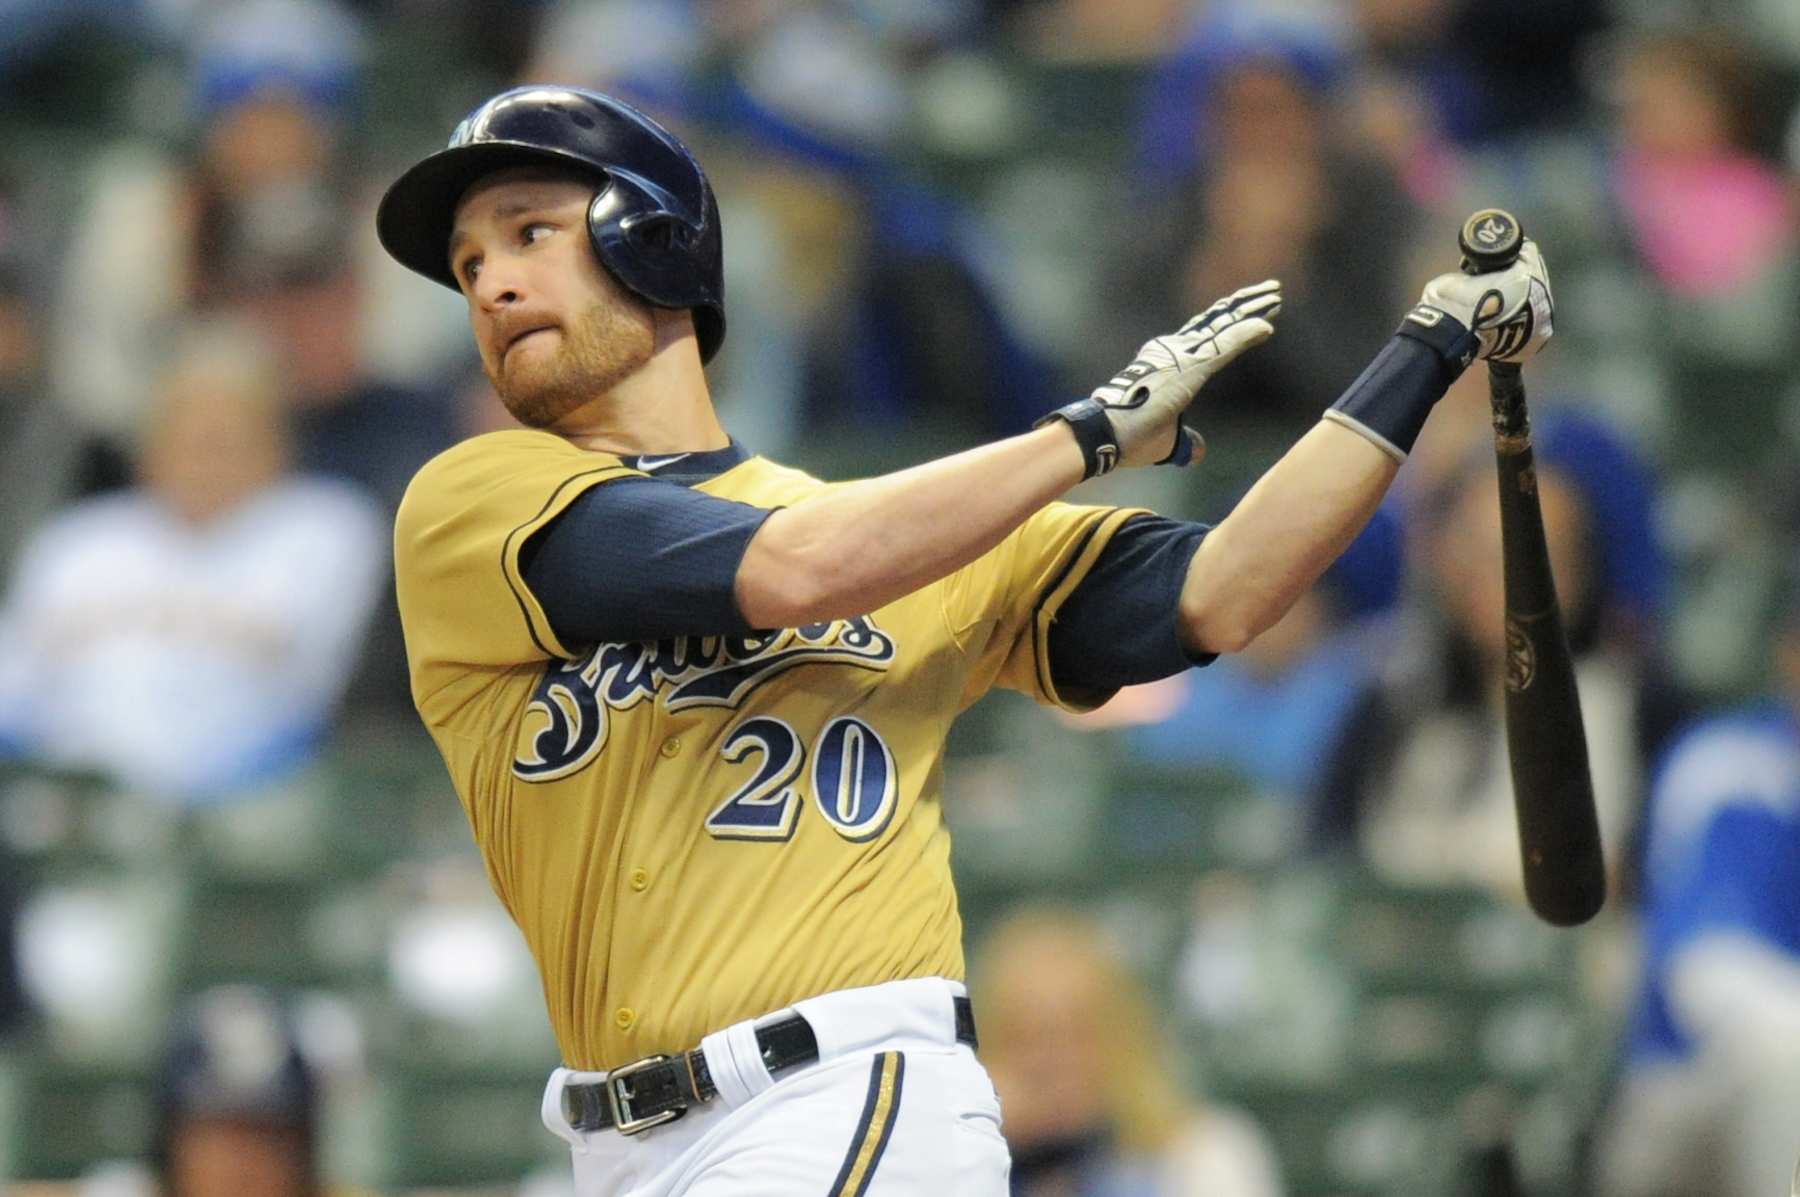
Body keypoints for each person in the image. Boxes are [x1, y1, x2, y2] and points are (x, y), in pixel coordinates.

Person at [376, 84, 1553, 1194]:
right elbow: (793, 566)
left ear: (653, 237)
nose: (488, 284)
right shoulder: (471, 505)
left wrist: (1428, 349)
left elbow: (1228, 589)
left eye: (529, 233)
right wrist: (1085, 436)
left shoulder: (923, 539)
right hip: (621, 1144)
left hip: (848, 1095)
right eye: (471, 263)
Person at [0, 321, 387, 798]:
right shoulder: (79, 541)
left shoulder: (329, 529)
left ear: (276, 441)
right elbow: (12, 695)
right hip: (71, 806)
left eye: (226, 436)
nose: (203, 456)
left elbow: (340, 701)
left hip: (253, 810)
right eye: (186, 433)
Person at [1593, 562, 1800, 1197]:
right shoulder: (1732, 762)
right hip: (1682, 1092)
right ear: (1789, 655)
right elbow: (1708, 969)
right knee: (1786, 1065)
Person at [974, 905, 1284, 1197]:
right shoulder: (957, 1171)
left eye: (1074, 1035)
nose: (1047, 1064)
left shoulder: (1205, 1156)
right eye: (1021, 1038)